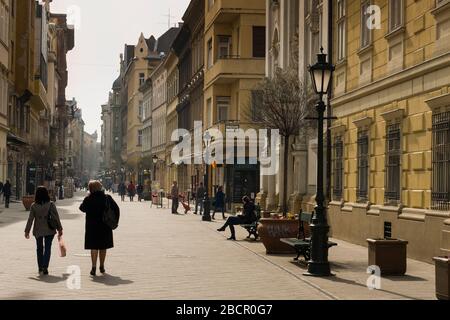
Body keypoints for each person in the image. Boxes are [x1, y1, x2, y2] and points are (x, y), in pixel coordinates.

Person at [79, 180, 119, 277]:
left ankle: (93, 267)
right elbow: (116, 209)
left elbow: (82, 208)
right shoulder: (107, 198)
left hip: (92, 226)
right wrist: (114, 221)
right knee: (103, 246)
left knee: (93, 246)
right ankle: (101, 266)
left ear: (91, 188)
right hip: (105, 226)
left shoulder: (88, 198)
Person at [24, 186, 63, 275]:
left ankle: (40, 266)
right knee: (48, 248)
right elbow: (56, 218)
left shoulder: (34, 205)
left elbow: (30, 219)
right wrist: (60, 229)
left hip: (38, 229)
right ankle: (45, 266)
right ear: (46, 194)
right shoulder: (51, 204)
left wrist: (27, 231)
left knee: (39, 248)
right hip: (49, 229)